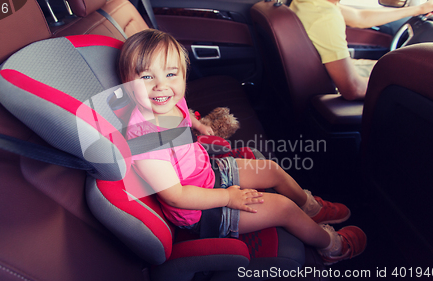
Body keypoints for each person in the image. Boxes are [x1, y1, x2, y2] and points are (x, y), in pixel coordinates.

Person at [119, 29, 366, 265]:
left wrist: (198, 125)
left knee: (271, 169)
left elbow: (184, 110)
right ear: (127, 84)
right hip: (200, 212)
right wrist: (228, 197)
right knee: (284, 209)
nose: (161, 85)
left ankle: (310, 208)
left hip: (207, 173)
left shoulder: (170, 100)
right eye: (146, 77)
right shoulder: (147, 142)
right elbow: (177, 197)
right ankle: (331, 247)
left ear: (183, 75)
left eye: (171, 74)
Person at [289, 0, 433, 100]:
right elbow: (353, 89)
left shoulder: (311, 4)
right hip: (333, 91)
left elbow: (360, 17)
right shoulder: (323, 16)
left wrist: (418, 9)